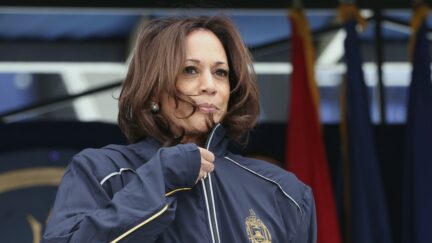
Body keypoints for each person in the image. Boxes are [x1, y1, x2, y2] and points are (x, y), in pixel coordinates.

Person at [42, 15, 316, 243]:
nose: (209, 85)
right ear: (153, 91)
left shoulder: (284, 192)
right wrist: (162, 179)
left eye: (220, 72)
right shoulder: (100, 171)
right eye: (190, 70)